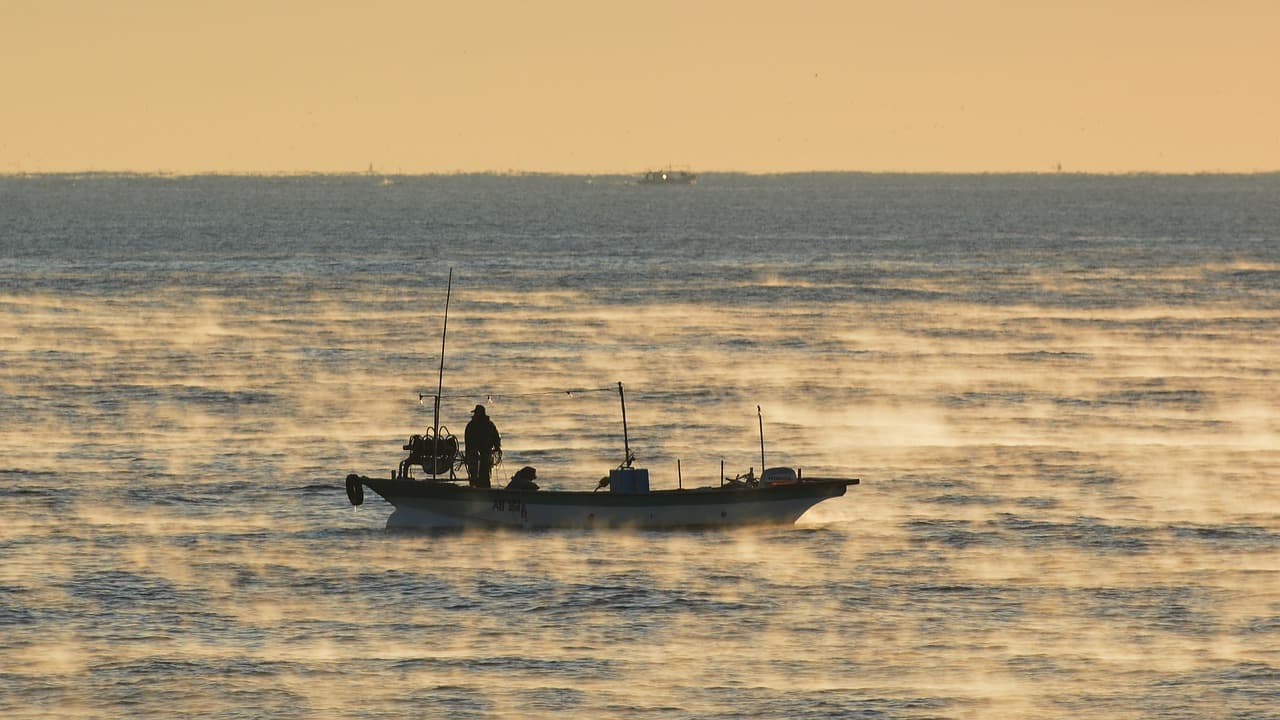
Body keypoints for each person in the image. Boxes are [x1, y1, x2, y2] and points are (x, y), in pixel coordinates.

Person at [464, 404, 501, 488]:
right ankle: (483, 490)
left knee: (478, 476)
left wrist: (468, 455)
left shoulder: (472, 425)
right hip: (481, 454)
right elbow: (496, 439)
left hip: (480, 455)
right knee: (482, 476)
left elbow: (468, 442)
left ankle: (478, 491)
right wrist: (497, 447)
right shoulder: (489, 425)